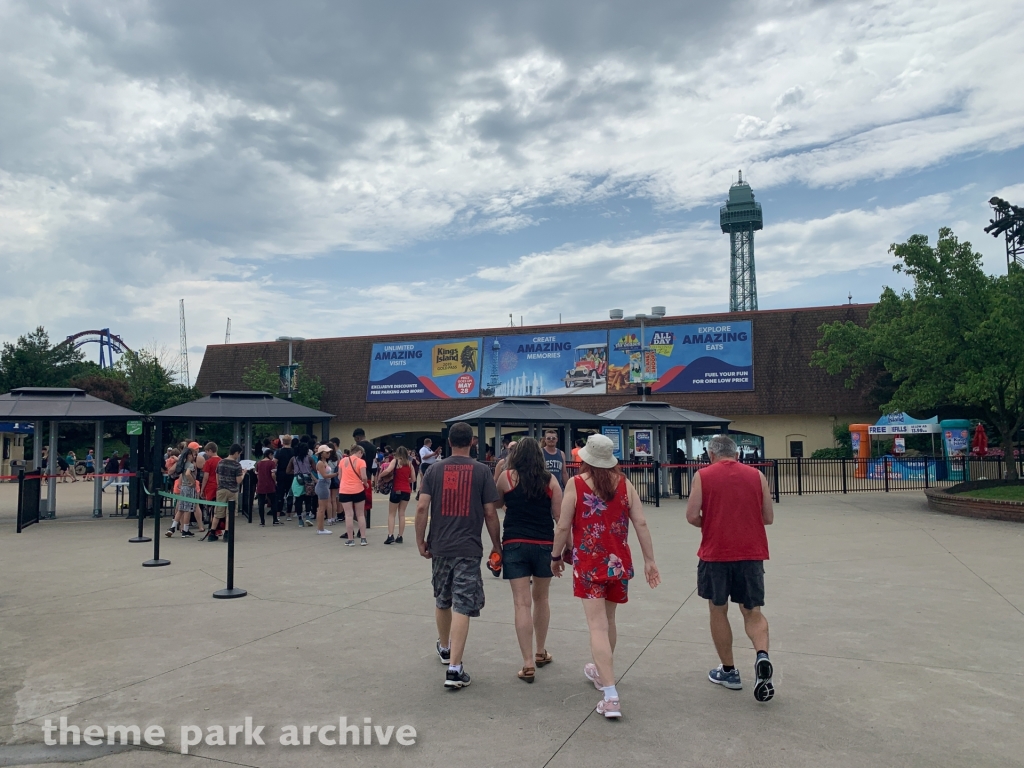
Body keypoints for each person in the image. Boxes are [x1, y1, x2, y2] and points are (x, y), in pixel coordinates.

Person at [551, 433, 660, 719]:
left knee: (596, 626)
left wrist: (555, 556)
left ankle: (610, 694)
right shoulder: (625, 484)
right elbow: (641, 522)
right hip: (618, 564)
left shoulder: (575, 485)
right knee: (609, 622)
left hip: (588, 564)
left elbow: (563, 526)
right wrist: (650, 560)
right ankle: (601, 672)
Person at [685, 434, 776, 703]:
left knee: (718, 608)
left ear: (711, 455)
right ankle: (762, 656)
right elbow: (768, 517)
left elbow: (692, 515)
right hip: (751, 553)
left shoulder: (703, 476)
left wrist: (712, 523)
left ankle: (729, 671)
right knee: (753, 612)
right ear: (737, 455)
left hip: (716, 554)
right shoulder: (756, 476)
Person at [415, 421, 502, 690]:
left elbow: (421, 508)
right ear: (472, 443)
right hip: (468, 547)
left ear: (450, 441)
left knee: (442, 597)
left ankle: (444, 647)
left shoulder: (434, 469)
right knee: (463, 603)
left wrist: (421, 540)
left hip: (440, 544)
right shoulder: (482, 471)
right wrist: (496, 545)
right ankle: (455, 667)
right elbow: (490, 512)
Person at [495, 437, 563, 683]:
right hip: (544, 543)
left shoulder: (507, 477)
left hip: (514, 543)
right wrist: (564, 549)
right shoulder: (550, 480)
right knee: (542, 598)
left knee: (521, 603)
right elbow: (559, 516)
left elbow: (496, 503)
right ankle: (540, 651)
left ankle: (527, 663)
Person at [208, 444, 245, 542]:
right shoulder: (237, 465)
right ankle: (227, 534)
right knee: (230, 513)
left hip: (221, 489)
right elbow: (238, 480)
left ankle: (212, 533)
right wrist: (244, 473)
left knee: (217, 512)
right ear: (236, 453)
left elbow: (217, 476)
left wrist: (220, 485)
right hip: (232, 490)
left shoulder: (221, 462)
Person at [379, 446, 414, 544]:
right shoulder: (409, 464)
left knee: (391, 514)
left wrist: (380, 476)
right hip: (406, 490)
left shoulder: (395, 461)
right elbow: (414, 479)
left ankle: (390, 535)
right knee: (402, 514)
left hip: (396, 489)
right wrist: (406, 480)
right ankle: (400, 536)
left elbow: (388, 470)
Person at [339, 445, 369, 545]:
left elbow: (340, 476)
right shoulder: (361, 462)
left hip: (344, 490)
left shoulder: (342, 461)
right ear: (359, 452)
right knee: (360, 514)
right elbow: (364, 477)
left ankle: (351, 539)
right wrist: (366, 484)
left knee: (348, 515)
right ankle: (363, 538)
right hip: (358, 489)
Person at [166, 445, 199, 538]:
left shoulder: (183, 464)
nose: (195, 456)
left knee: (181, 509)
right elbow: (188, 473)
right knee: (188, 509)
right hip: (189, 488)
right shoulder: (191, 465)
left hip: (183, 488)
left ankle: (172, 528)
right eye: (194, 455)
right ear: (189, 455)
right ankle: (185, 529)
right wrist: (193, 482)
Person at [287, 443, 316, 527]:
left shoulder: (293, 459)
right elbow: (315, 469)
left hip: (297, 480)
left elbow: (288, 471)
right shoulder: (310, 459)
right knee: (308, 499)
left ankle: (300, 520)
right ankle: (307, 516)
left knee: (298, 500)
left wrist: (296, 472)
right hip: (308, 479)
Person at [313, 445, 337, 535]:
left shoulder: (324, 462)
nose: (328, 454)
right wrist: (336, 474)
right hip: (323, 485)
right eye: (326, 452)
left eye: (329, 452)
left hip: (325, 485)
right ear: (321, 453)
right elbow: (325, 475)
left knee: (322, 508)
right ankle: (320, 528)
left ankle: (321, 528)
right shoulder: (320, 463)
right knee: (322, 509)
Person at [255, 448, 279, 526]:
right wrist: (275, 481)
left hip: (260, 485)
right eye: (272, 455)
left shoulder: (258, 463)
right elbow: (273, 474)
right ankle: (275, 520)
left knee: (261, 503)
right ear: (270, 455)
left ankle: (262, 521)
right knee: (273, 502)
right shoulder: (271, 463)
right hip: (270, 484)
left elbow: (257, 475)